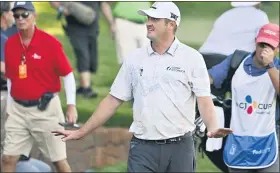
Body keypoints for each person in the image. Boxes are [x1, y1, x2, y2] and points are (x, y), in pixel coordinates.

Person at [53, 2, 232, 172]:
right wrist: (82, 131)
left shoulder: (192, 58)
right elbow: (113, 100)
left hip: (180, 148)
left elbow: (204, 100)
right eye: (148, 19)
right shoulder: (134, 59)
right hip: (143, 147)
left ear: (171, 24)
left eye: (155, 19)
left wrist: (213, 127)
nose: (148, 23)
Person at [1, 1, 78, 172]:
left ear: (34, 16)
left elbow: (68, 75)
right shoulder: (10, 44)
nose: (20, 19)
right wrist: (10, 107)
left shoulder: (50, 43)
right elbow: (11, 78)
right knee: (7, 159)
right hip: (18, 111)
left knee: (59, 161)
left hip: (46, 110)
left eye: (24, 14)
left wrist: (71, 106)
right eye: (16, 15)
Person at [208, 23, 279, 172]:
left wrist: (270, 66)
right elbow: (209, 78)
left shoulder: (276, 67)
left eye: (270, 46)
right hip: (237, 142)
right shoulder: (237, 61)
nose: (264, 50)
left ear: (277, 48)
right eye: (262, 44)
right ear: (255, 41)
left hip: (269, 143)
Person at [50, 1, 115, 98]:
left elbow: (104, 4)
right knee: (82, 53)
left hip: (92, 25)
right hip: (75, 26)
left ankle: (83, 85)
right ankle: (86, 88)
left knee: (91, 55)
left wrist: (111, 23)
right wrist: (62, 9)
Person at [199, 1, 269, 56]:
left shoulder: (225, 15)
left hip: (204, 55)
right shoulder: (260, 15)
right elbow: (264, 41)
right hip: (228, 59)